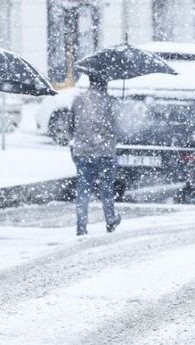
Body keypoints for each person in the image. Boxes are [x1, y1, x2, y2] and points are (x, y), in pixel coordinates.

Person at [71, 75, 122, 236]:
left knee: (83, 190)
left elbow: (70, 125)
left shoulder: (78, 100)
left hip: (82, 151)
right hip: (105, 152)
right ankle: (110, 219)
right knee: (106, 188)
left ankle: (81, 225)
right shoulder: (110, 102)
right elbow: (118, 127)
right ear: (105, 83)